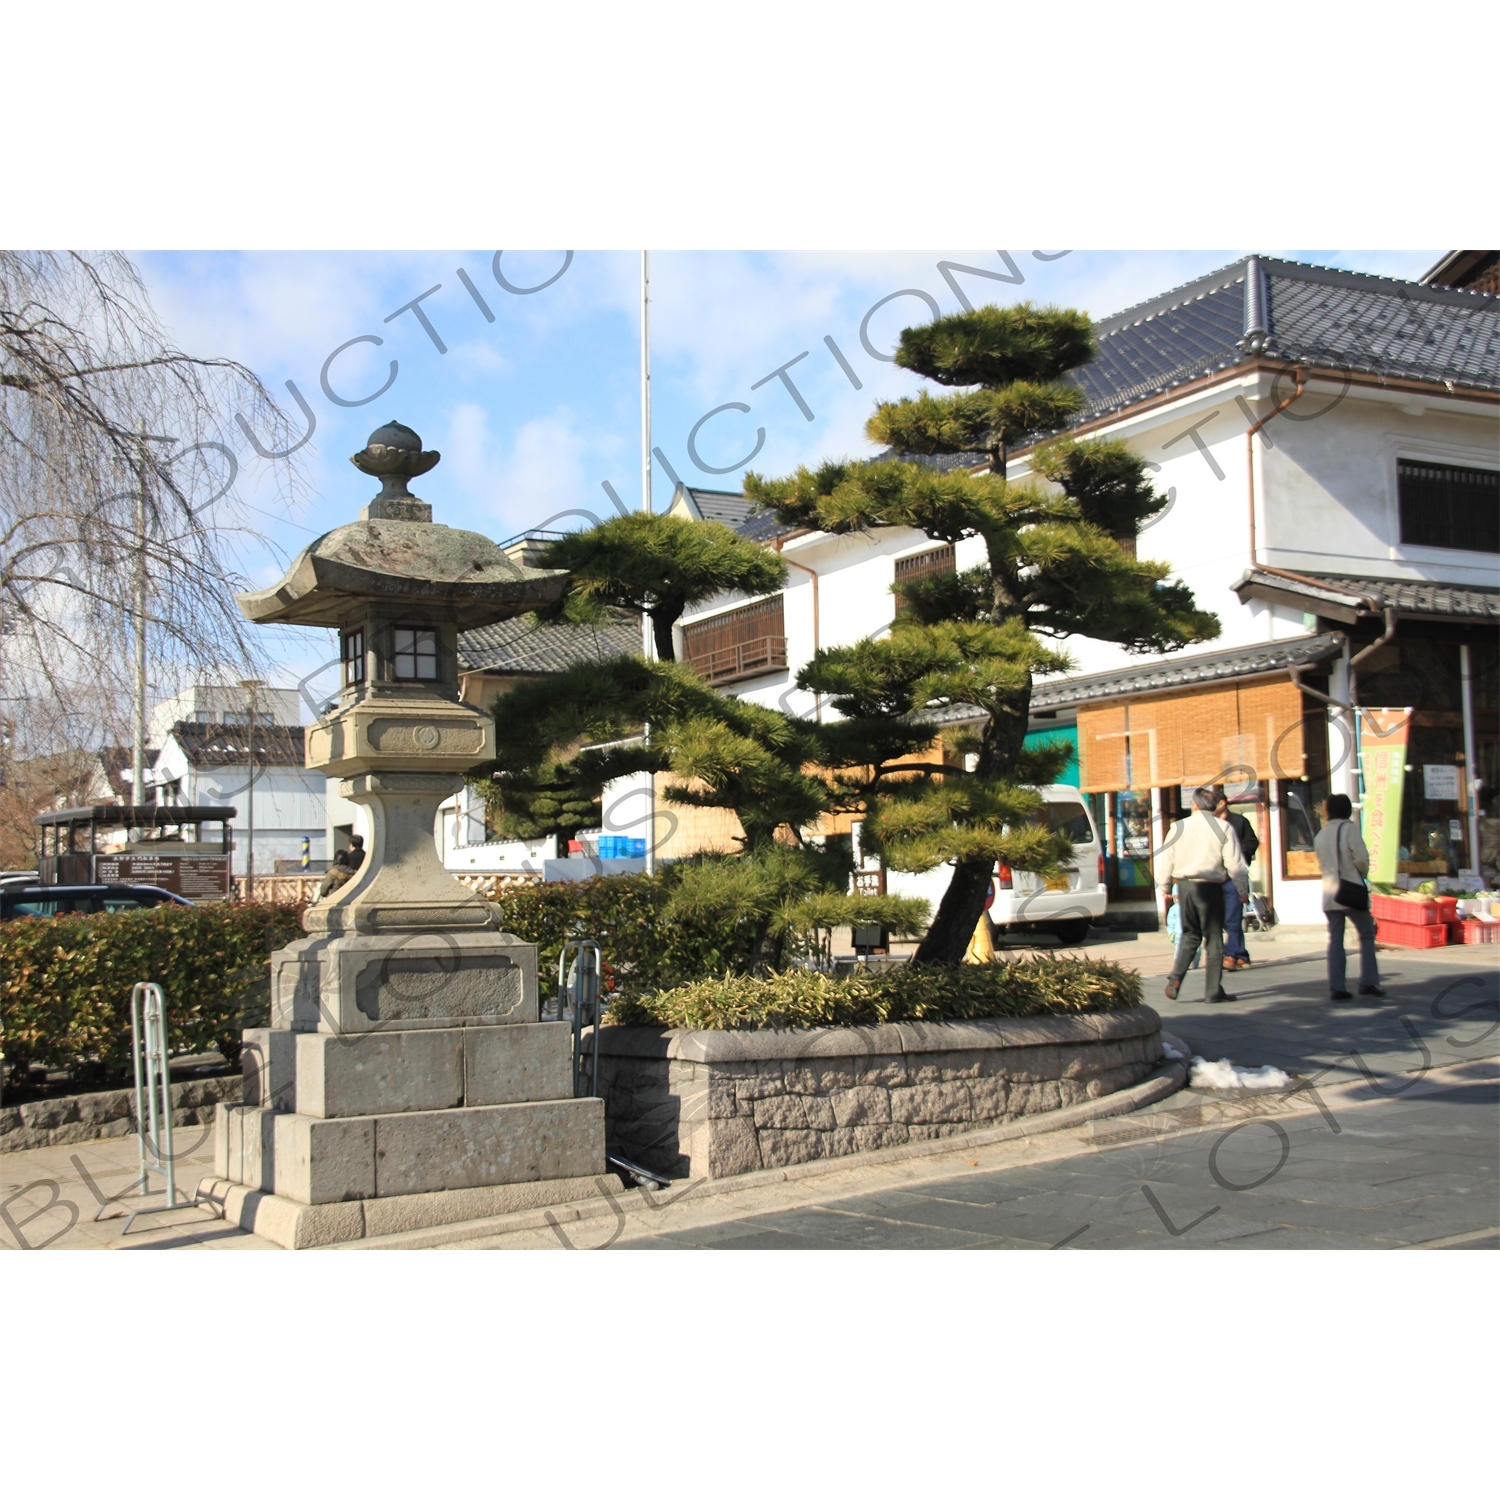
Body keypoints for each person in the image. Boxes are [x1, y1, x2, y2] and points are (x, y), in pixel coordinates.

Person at [1157, 786, 1249, 1003]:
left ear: (1194, 805)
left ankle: (1175, 979)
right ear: (1214, 806)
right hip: (1211, 887)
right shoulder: (1223, 827)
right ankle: (1213, 990)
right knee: (1214, 939)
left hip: (1186, 887)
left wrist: (1165, 887)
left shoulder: (1178, 827)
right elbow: (1235, 864)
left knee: (1190, 934)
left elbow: (1166, 860)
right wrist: (1242, 889)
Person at [1314, 793, 1383, 1001]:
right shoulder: (1349, 829)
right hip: (1350, 890)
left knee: (1335, 939)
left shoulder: (1321, 834)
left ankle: (1337, 986)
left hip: (1329, 893)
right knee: (1367, 934)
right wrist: (1359, 874)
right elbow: (1361, 858)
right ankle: (1368, 981)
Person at [1215, 794, 1260, 970]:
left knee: (1233, 917)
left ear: (1222, 803)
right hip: (1216, 876)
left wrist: (1237, 853)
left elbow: (1252, 842)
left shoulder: (1239, 822)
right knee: (1224, 919)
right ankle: (1241, 954)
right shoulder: (1211, 826)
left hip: (1234, 876)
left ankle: (1231, 955)